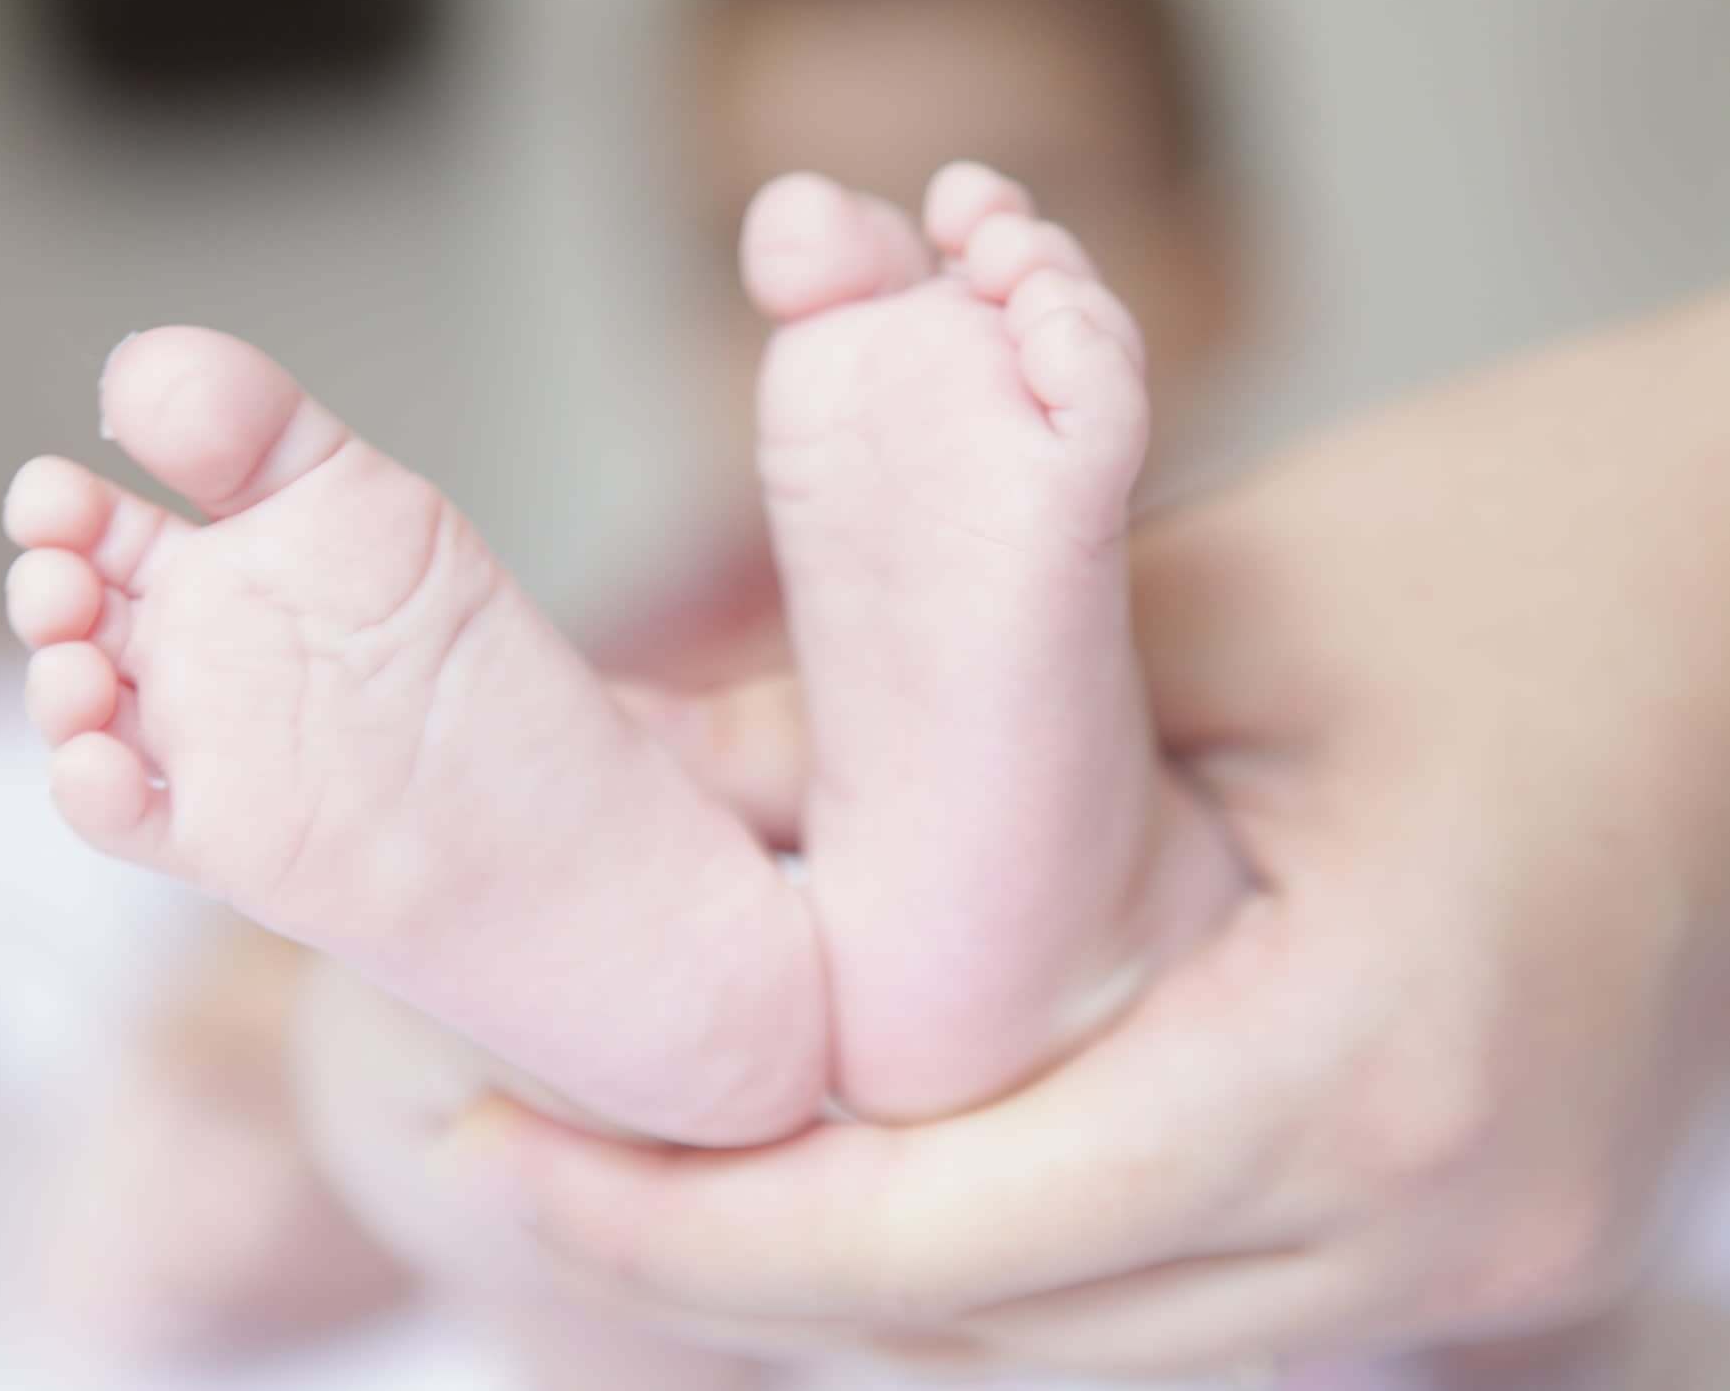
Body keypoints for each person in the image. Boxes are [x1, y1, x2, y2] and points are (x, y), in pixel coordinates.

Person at [16, 0, 1247, 1368]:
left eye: (1003, 211)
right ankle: (512, 1043)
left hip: (777, 1191)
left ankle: (580, 1048)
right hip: (748, 1149)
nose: (906, 312)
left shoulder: (1275, 612)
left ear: (1221, 266)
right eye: (753, 246)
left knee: (426, 1129)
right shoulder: (651, 660)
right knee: (305, 1086)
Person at [416, 286, 1730, 1384]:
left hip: (1165, 1057)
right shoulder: (671, 635)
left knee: (463, 1140)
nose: (910, 316)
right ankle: (624, 975)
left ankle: (610, 998)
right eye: (723, 244)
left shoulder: (1304, 581)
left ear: (1216, 263)